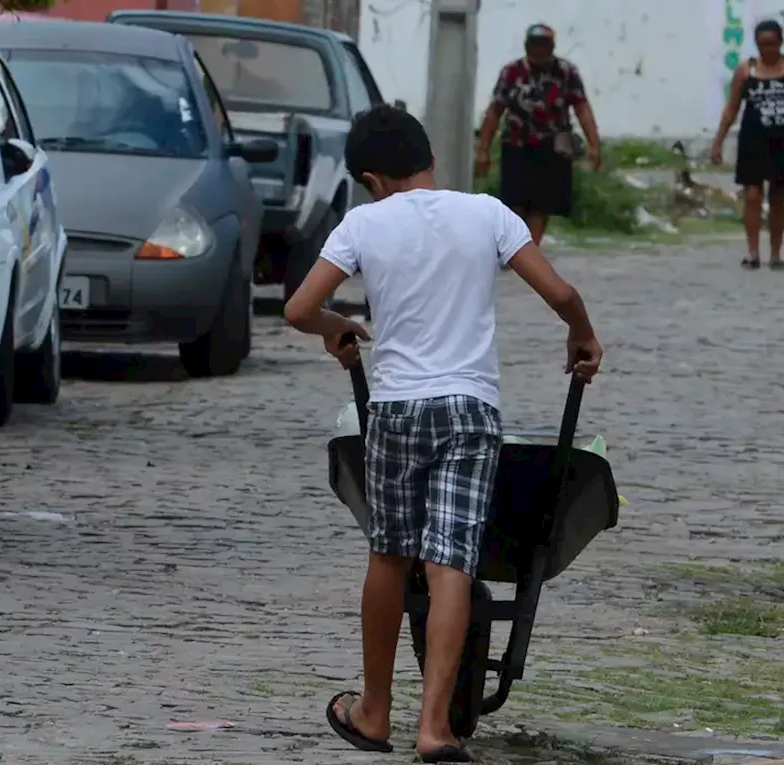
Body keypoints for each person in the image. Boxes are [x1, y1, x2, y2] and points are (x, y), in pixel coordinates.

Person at [283, 104, 602, 763]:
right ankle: (436, 729)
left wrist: (336, 329)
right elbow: (561, 292)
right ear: (428, 159)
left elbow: (299, 308)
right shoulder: (488, 213)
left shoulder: (363, 224)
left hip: (398, 407)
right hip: (470, 407)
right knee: (452, 559)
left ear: (372, 177)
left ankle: (373, 711)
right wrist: (583, 335)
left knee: (389, 555)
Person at [709, 18, 784, 270]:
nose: (767, 50)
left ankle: (775, 253)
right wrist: (718, 141)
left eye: (772, 44)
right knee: (752, 195)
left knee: (779, 198)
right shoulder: (745, 71)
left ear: (781, 42)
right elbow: (731, 109)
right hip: (754, 142)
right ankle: (752, 252)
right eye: (762, 45)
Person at [475, 22, 602, 246]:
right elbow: (495, 111)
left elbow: (582, 108)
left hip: (552, 147)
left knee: (542, 205)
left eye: (544, 44)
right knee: (514, 201)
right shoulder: (512, 72)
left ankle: (529, 250)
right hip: (517, 144)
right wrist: (483, 150)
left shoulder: (566, 72)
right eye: (535, 44)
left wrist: (594, 145)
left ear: (552, 46)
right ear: (527, 46)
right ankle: (511, 247)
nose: (539, 50)